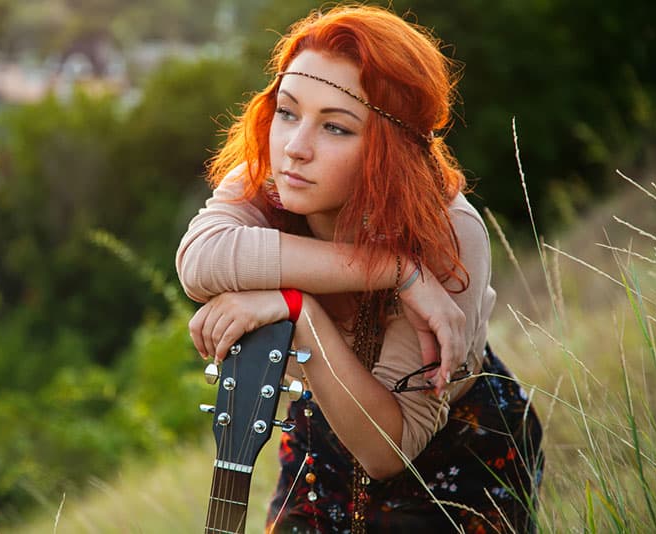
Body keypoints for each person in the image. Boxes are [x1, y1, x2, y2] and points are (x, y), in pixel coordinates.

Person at [176, 5, 543, 532]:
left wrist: (295, 311)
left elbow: (388, 448)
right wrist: (396, 270)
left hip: (457, 454)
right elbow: (199, 261)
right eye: (286, 112)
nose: (295, 148)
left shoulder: (449, 229)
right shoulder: (270, 176)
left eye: (335, 127)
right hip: (323, 428)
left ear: (387, 149)